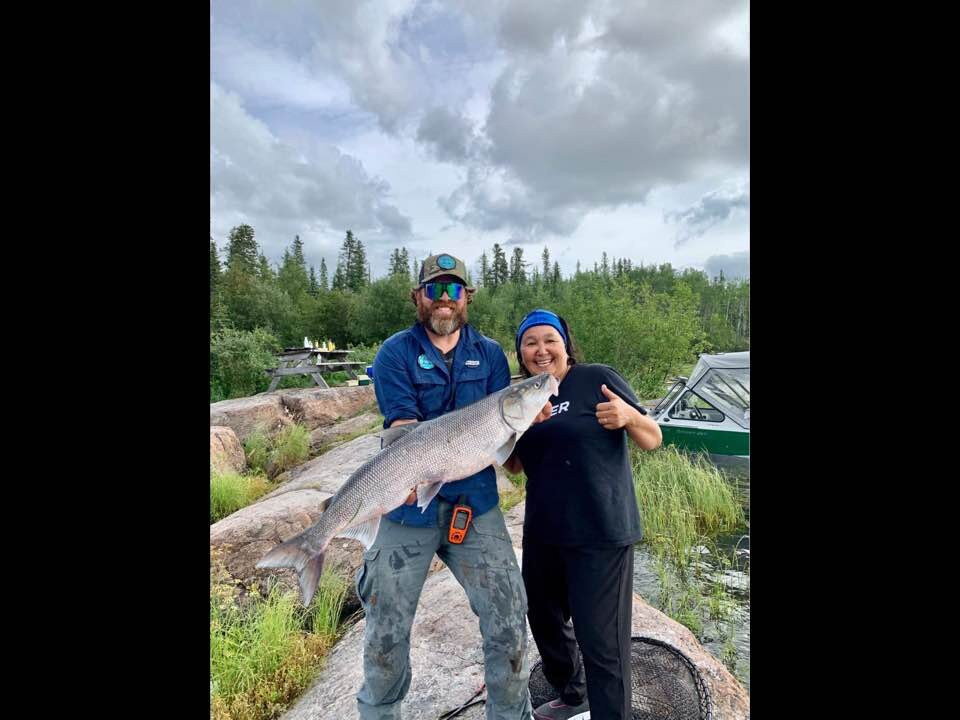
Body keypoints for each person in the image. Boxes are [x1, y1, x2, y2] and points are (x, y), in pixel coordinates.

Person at [359, 253, 539, 720]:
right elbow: (404, 432)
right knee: (385, 630)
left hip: (474, 507)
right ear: (417, 296)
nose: (444, 299)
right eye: (434, 289)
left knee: (508, 623)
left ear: (468, 298)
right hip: (405, 509)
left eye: (454, 290)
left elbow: (506, 445)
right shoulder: (394, 353)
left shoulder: (492, 355)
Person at [504, 309, 663, 720]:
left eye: (549, 340)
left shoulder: (595, 378)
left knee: (602, 645)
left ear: (564, 344)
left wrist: (630, 417)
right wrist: (513, 430)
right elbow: (516, 466)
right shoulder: (522, 395)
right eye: (530, 343)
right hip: (544, 531)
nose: (541, 350)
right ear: (520, 352)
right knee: (542, 619)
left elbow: (653, 438)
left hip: (600, 530)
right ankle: (574, 693)